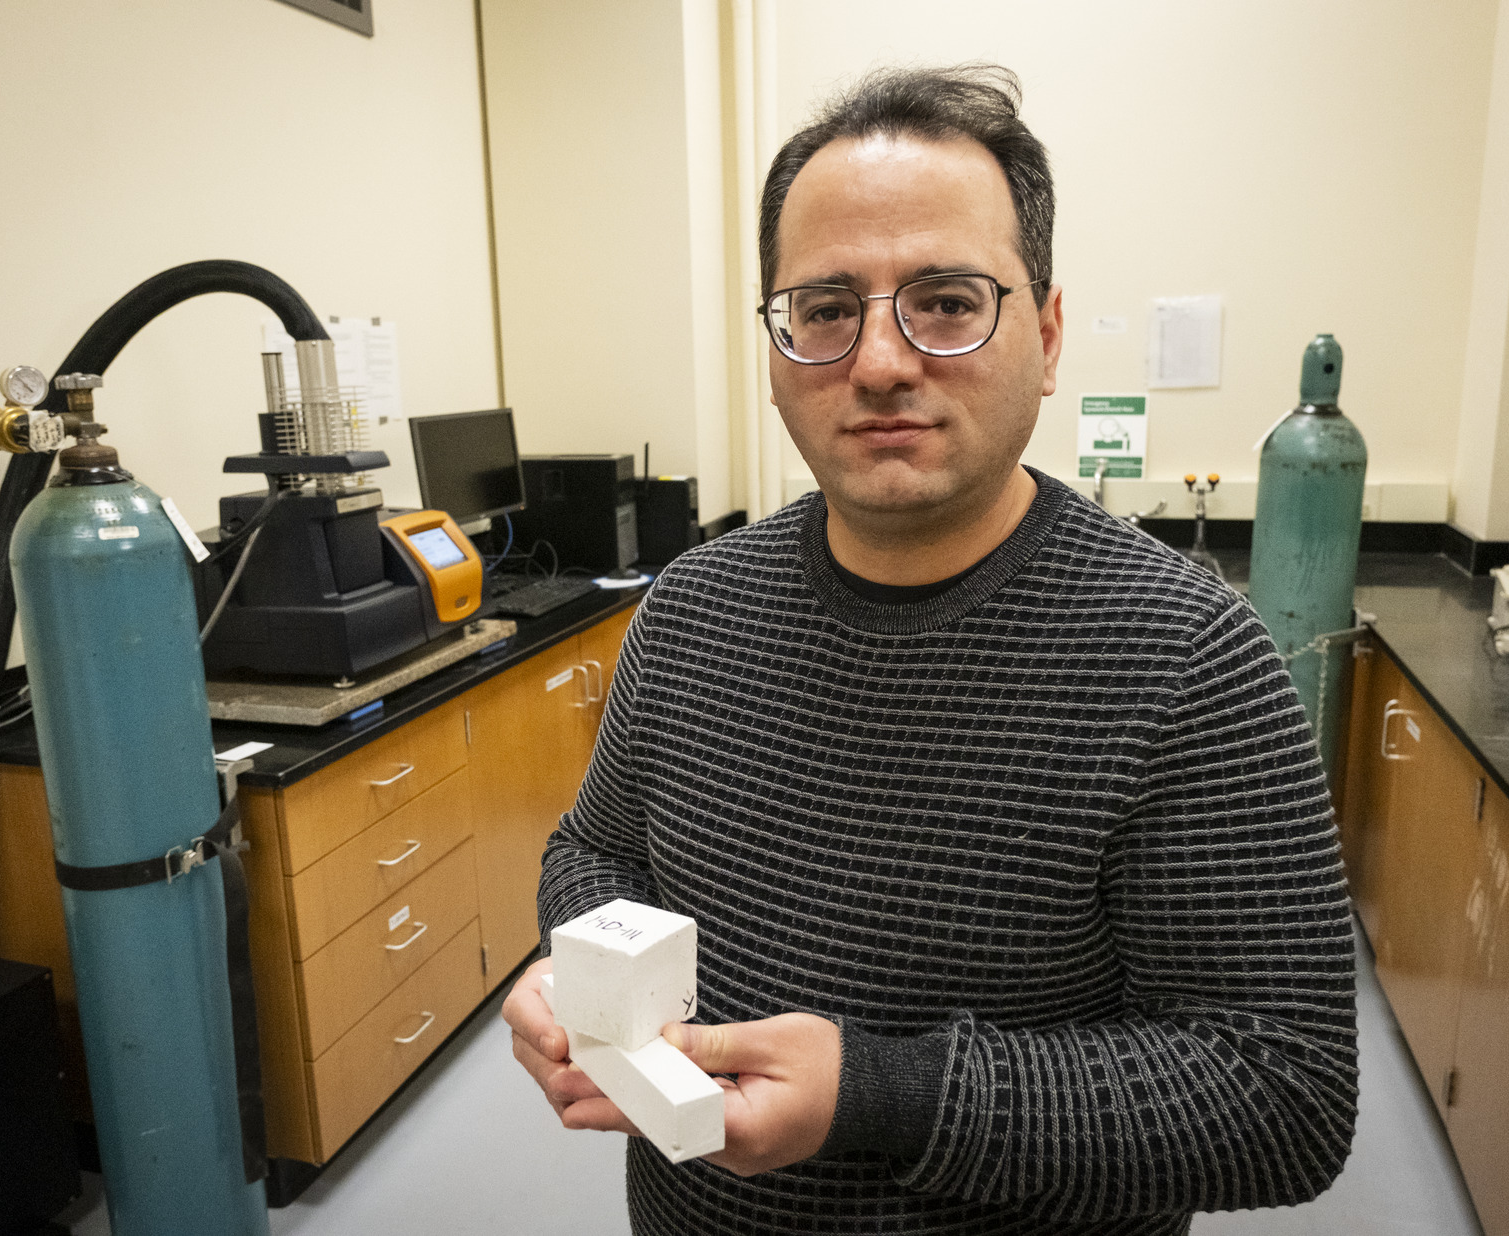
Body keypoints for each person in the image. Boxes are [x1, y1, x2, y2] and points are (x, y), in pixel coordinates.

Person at [504, 64, 1357, 1235]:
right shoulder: (693, 608)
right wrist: (578, 971)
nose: (880, 361)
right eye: (824, 309)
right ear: (777, 344)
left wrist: (879, 1095)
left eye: (948, 301)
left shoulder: (1187, 660)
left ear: (1047, 336)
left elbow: (1282, 1095)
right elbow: (596, 849)